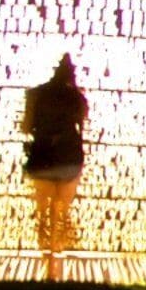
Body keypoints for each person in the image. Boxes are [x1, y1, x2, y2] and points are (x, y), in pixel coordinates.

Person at [21, 54, 89, 266]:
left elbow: (25, 126)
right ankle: (55, 241)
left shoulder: (36, 95)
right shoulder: (77, 98)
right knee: (61, 204)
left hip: (43, 155)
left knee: (42, 203)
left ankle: (44, 240)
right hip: (68, 158)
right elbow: (82, 124)